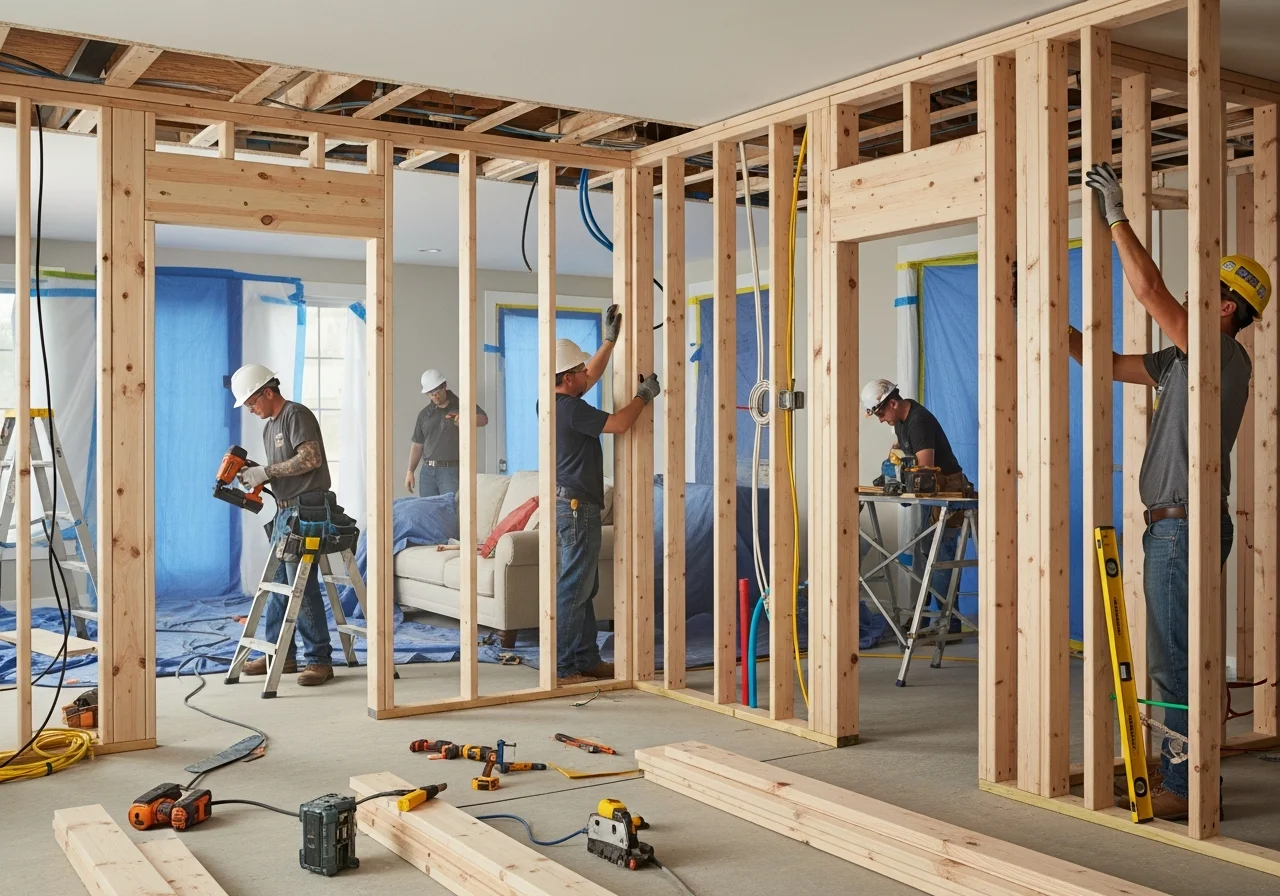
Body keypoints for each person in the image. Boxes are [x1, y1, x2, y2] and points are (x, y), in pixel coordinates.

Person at [1074, 161, 1271, 820]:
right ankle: (1186, 775)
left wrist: (1115, 217)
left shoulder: (1223, 357)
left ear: (1227, 308)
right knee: (1175, 657)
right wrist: (1042, 309)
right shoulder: (1182, 362)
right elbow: (1099, 362)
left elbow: (1151, 292)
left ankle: (1185, 788)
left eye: (1208, 291)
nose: (1193, 294)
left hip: (1181, 526)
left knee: (1171, 662)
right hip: (1175, 525)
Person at [553, 305, 660, 685]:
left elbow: (590, 376)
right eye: (580, 371)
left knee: (584, 584)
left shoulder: (551, 402)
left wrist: (609, 342)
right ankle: (564, 667)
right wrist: (644, 396)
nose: (587, 374)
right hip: (577, 507)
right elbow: (619, 423)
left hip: (569, 504)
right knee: (574, 584)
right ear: (567, 378)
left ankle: (585, 657)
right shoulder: (571, 410)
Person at [230, 363, 337, 687]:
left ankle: (318, 659)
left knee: (299, 586)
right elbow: (281, 470)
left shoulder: (295, 415)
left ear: (267, 391)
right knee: (276, 585)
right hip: (286, 511)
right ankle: (281, 654)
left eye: (252, 402)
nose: (250, 409)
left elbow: (311, 459)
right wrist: (256, 474)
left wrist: (267, 472)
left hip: (310, 509)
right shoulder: (268, 427)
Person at [861, 379, 972, 628]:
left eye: (880, 413)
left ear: (892, 402)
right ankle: (923, 613)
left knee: (940, 554)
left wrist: (903, 480)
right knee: (923, 551)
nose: (880, 420)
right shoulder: (900, 422)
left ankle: (947, 620)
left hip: (948, 492)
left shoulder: (919, 422)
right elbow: (896, 454)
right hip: (933, 494)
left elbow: (926, 472)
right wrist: (889, 474)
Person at [406, 369, 488, 496]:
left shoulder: (462, 406)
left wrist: (466, 417)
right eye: (431, 394)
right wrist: (410, 471)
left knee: (450, 509)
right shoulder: (424, 415)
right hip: (427, 471)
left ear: (444, 386)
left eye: (437, 392)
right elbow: (417, 445)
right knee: (428, 511)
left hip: (451, 470)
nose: (435, 396)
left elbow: (483, 419)